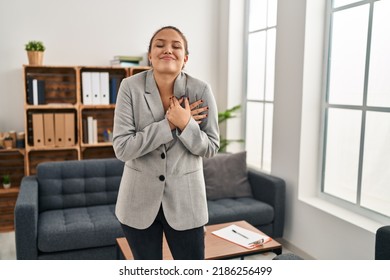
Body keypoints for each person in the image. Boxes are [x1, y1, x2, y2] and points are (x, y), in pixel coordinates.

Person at [113, 26, 220, 260]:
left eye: (176, 46)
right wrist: (169, 125)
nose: (167, 50)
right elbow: (122, 148)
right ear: (149, 56)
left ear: (185, 58)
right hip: (137, 203)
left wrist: (186, 124)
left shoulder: (200, 89)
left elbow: (211, 147)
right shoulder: (130, 88)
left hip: (187, 203)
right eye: (159, 45)